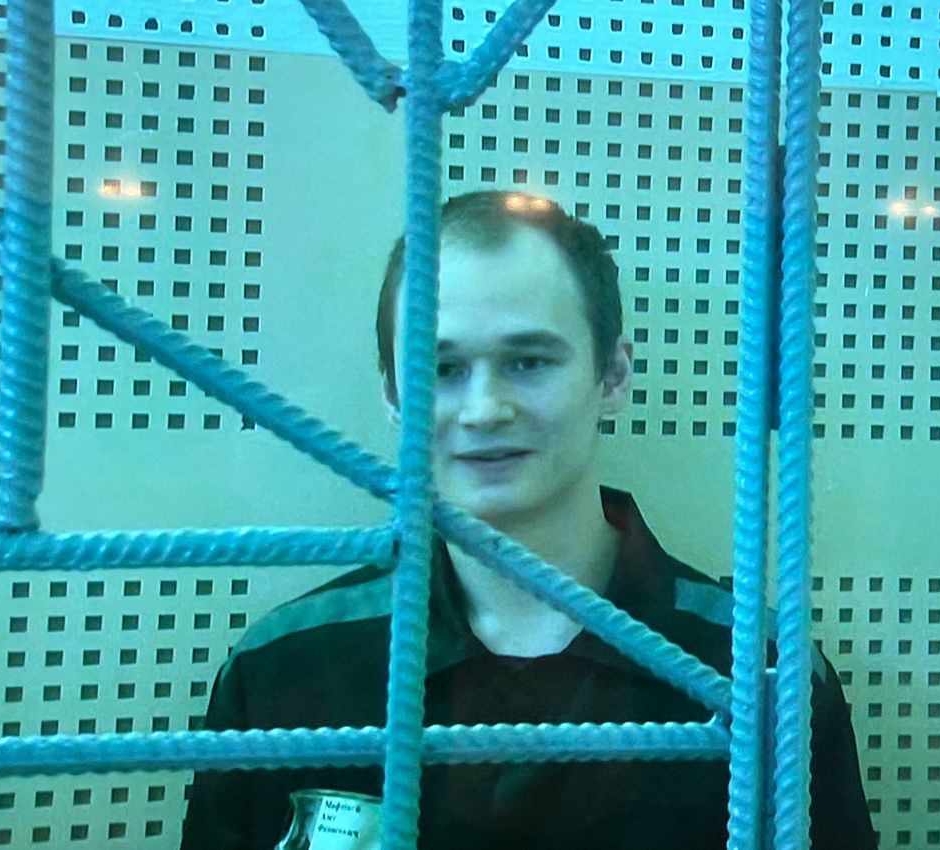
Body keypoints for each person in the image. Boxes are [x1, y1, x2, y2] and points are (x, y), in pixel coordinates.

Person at [181, 191, 877, 849]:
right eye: (441, 368)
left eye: (528, 361)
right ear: (393, 395)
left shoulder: (761, 671)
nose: (485, 410)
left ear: (612, 376)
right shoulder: (284, 669)